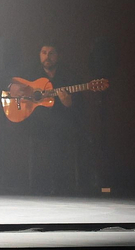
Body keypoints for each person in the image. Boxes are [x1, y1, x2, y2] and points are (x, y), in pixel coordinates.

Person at [6, 43, 81, 194]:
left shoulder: (68, 76)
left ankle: (55, 183)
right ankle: (52, 183)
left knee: (58, 131)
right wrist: (11, 87)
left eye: (51, 53)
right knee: (55, 125)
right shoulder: (30, 72)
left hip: (58, 124)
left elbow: (76, 108)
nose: (47, 57)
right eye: (44, 52)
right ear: (39, 54)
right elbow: (6, 80)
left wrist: (67, 103)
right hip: (33, 122)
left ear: (58, 56)